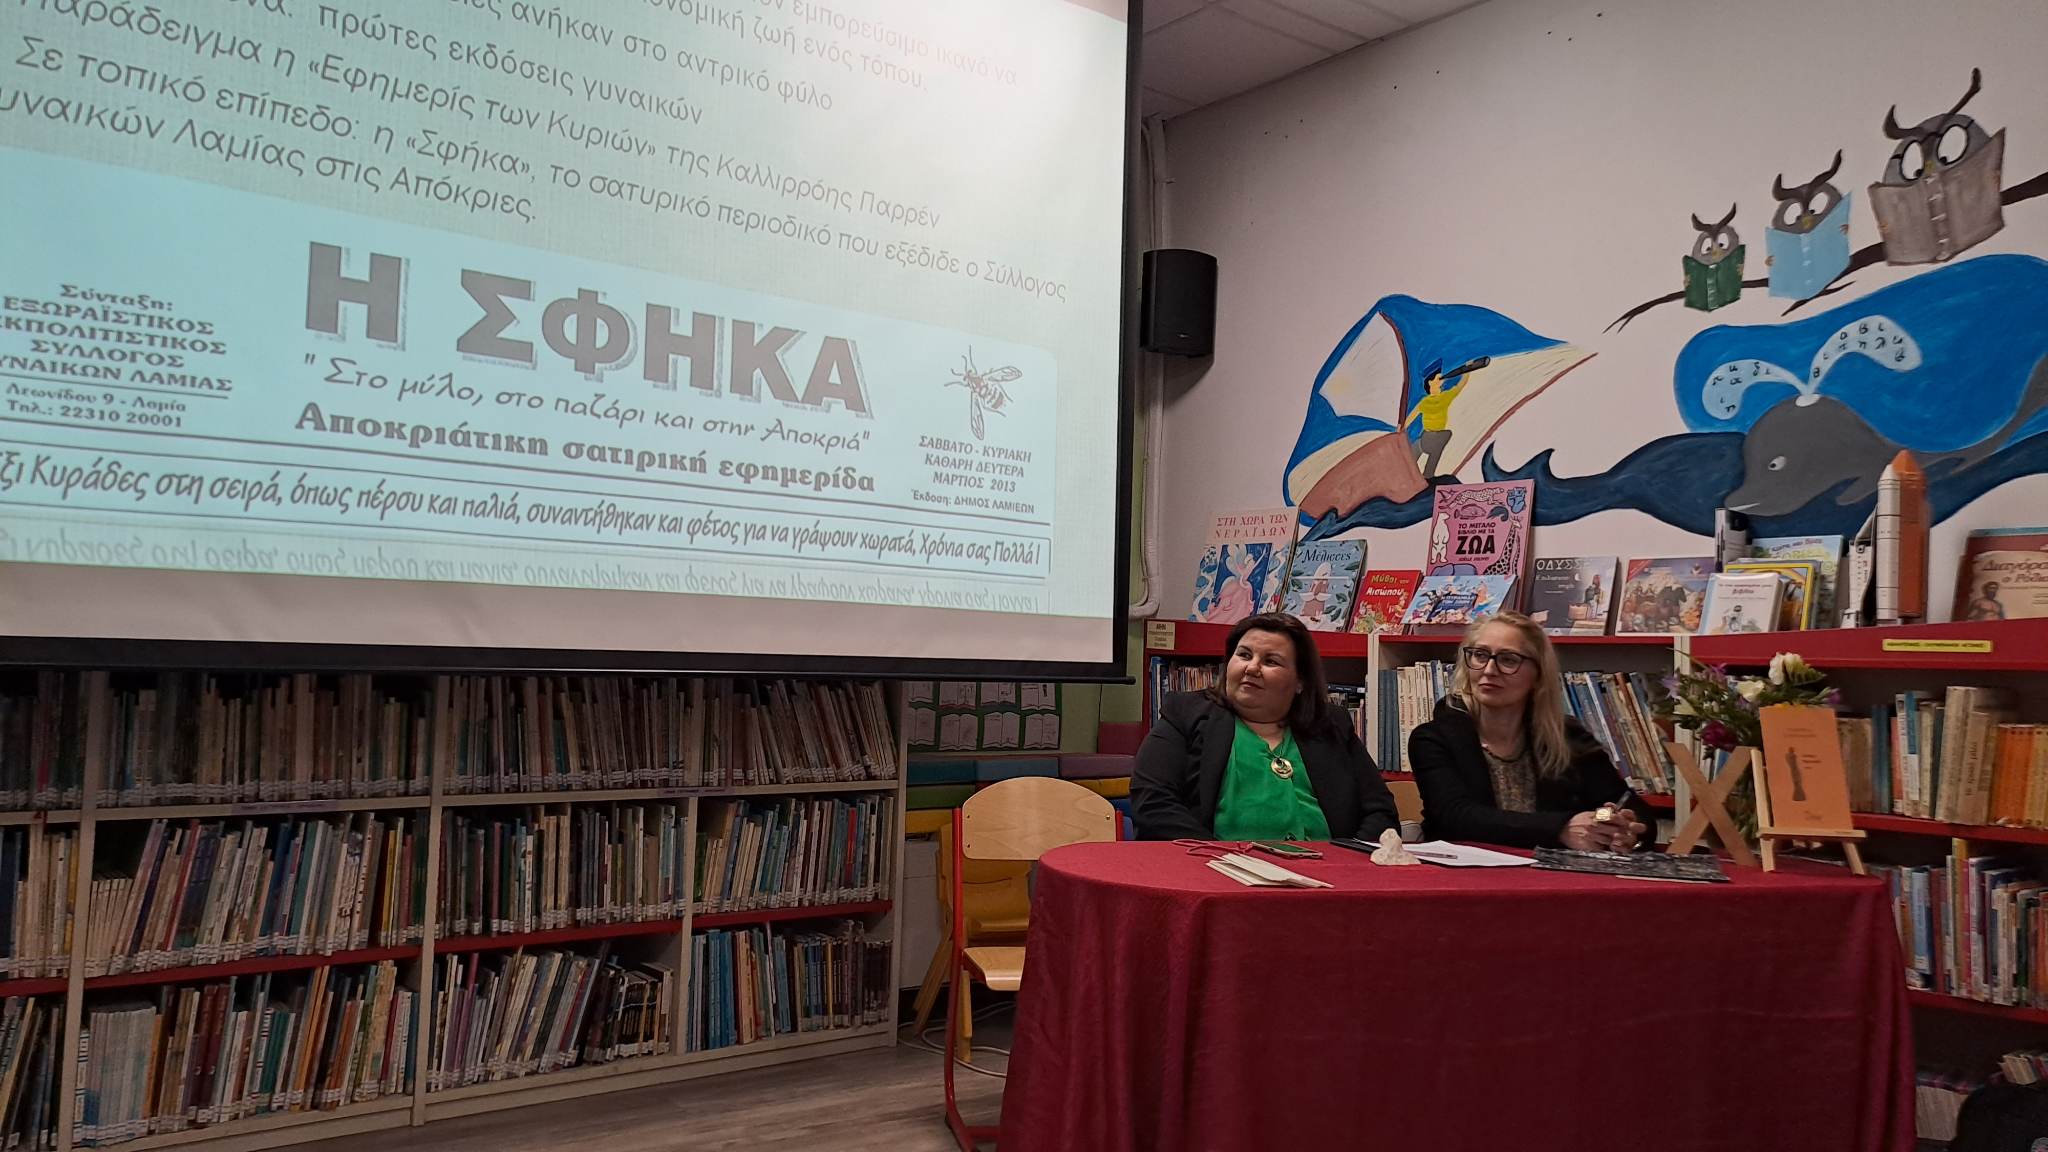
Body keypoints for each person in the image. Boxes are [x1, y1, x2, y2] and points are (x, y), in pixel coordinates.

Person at [1133, 612, 1399, 842]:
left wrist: (1348, 862)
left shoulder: (1331, 725)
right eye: (1244, 655)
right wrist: (1217, 858)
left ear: (1300, 681)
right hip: (1220, 870)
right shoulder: (1186, 714)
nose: (1251, 668)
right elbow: (1153, 803)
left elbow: (1380, 812)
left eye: (1271, 661)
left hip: (1326, 875)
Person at [1409, 611, 1653, 851]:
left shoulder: (1567, 737)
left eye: (1508, 660)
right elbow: (1457, 817)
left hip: (1550, 872)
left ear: (1538, 674)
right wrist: (1561, 829)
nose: (1489, 670)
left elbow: (1629, 806)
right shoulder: (1434, 738)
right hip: (1461, 872)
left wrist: (1618, 826)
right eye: (1480, 655)